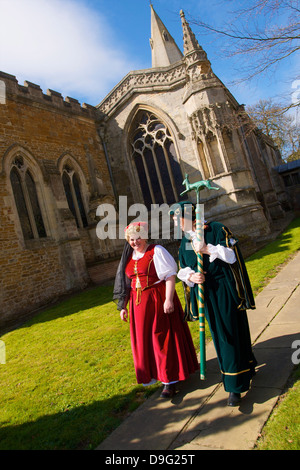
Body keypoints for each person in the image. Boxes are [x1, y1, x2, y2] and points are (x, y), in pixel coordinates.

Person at [174, 201, 257, 406]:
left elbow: (231, 255)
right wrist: (192, 277)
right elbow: (182, 268)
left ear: (189, 216)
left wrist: (207, 249)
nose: (175, 222)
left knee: (228, 333)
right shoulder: (185, 241)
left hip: (224, 289)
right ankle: (246, 365)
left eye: (177, 218)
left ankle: (234, 386)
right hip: (205, 293)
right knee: (222, 333)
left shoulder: (217, 229)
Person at [113, 221, 199, 398]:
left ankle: (170, 381)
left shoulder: (156, 251)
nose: (135, 242)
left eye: (138, 238)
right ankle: (155, 375)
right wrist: (124, 307)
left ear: (144, 237)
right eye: (131, 239)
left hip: (157, 299)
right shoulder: (130, 256)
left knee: (162, 338)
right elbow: (128, 284)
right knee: (145, 341)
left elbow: (169, 276)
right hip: (138, 305)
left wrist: (168, 300)